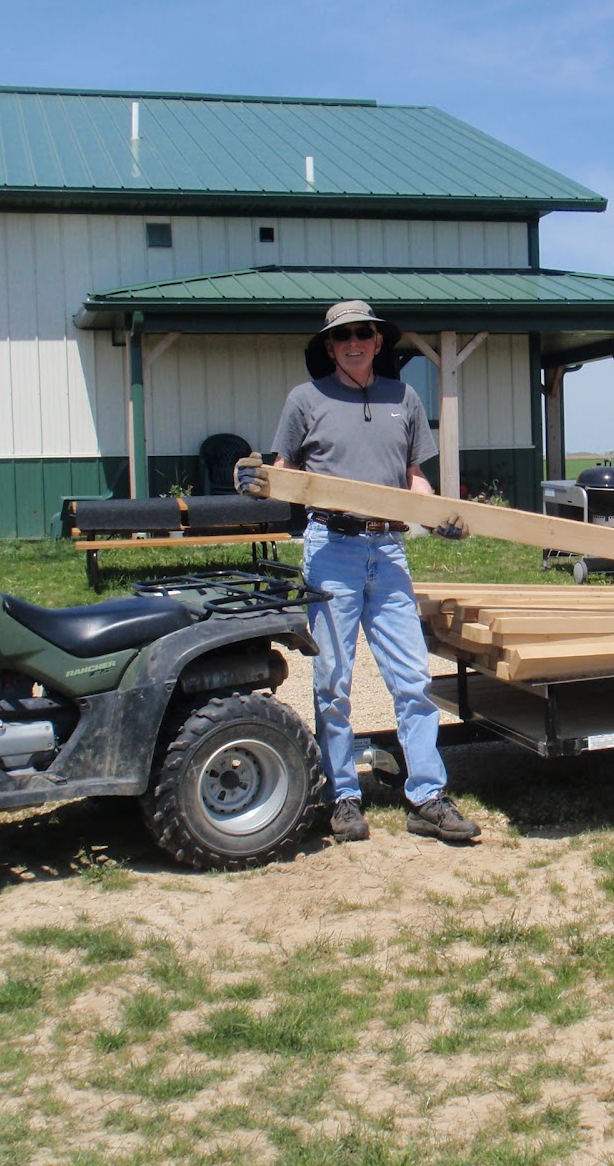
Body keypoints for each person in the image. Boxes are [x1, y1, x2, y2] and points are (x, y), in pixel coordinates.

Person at [242, 300, 480, 844]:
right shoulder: (305, 399)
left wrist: (431, 511)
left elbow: (416, 476)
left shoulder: (405, 398)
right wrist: (263, 481)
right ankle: (342, 796)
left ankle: (426, 797)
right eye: (342, 335)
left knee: (413, 679)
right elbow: (285, 473)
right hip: (332, 549)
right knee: (333, 682)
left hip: (389, 548)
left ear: (378, 342)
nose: (354, 342)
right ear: (330, 346)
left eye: (363, 334)